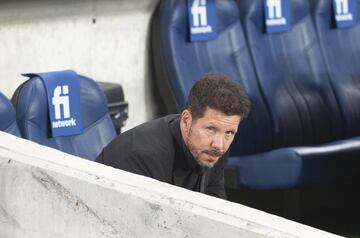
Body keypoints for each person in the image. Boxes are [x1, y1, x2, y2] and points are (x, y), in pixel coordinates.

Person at [96, 73, 250, 199]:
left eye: (229, 133)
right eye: (210, 129)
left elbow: (215, 207)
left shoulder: (216, 147)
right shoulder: (144, 156)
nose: (219, 144)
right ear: (186, 121)